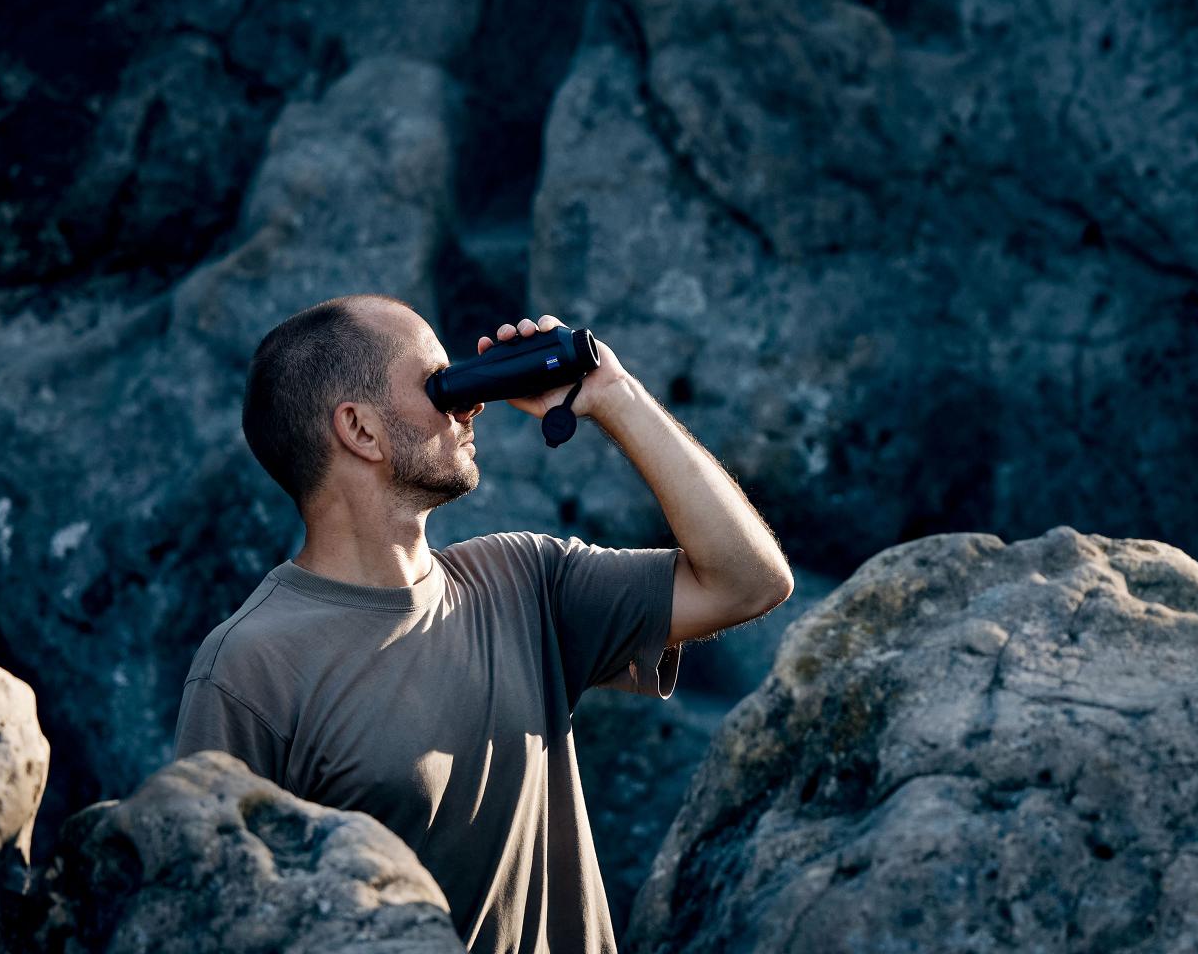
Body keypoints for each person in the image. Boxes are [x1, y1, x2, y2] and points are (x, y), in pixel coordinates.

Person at [173, 294, 793, 953]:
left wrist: (615, 395)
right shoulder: (250, 668)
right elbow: (208, 920)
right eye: (439, 384)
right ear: (360, 431)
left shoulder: (525, 582)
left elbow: (748, 582)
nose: (471, 403)